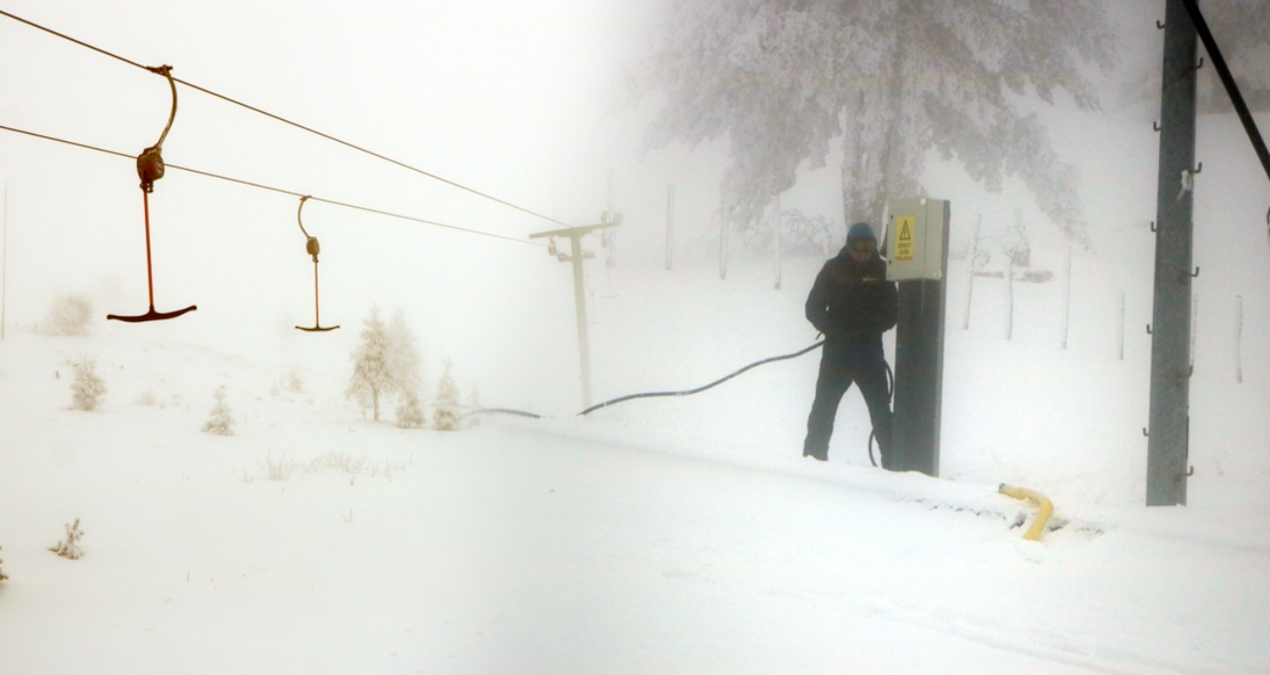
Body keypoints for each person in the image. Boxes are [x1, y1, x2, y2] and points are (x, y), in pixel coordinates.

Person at [802, 222, 898, 465]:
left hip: (870, 355)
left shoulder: (883, 271)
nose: (863, 253)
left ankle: (895, 468)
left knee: (881, 416)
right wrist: (833, 328)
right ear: (849, 244)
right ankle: (812, 465)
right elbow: (812, 308)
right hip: (837, 355)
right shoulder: (833, 269)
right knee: (822, 413)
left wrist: (869, 328)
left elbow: (893, 312)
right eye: (859, 247)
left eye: (869, 248)